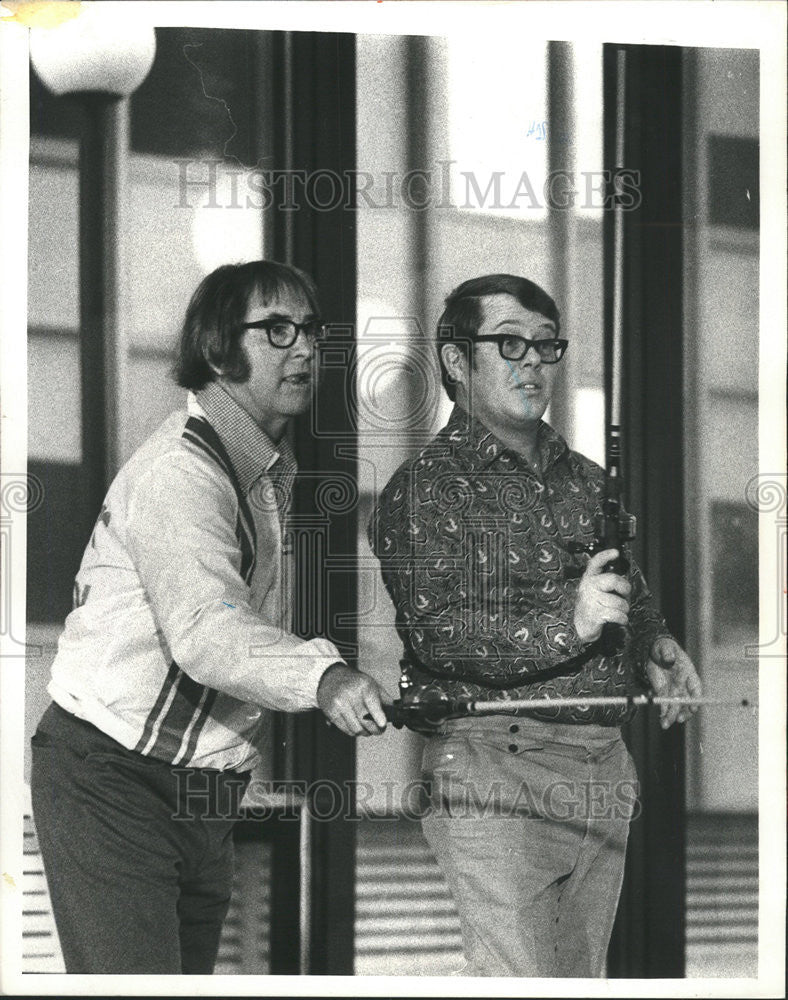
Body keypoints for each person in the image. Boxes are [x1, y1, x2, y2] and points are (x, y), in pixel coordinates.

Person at [30, 259, 388, 975]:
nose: (306, 349)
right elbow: (207, 634)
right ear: (220, 347)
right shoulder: (183, 471)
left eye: (312, 330)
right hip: (115, 775)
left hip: (199, 789)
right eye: (278, 329)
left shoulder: (257, 469)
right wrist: (325, 679)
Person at [368, 273, 702, 977]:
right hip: (494, 764)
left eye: (546, 346)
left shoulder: (585, 480)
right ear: (458, 362)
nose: (532, 362)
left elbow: (623, 587)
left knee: (577, 982)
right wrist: (572, 623)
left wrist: (654, 642)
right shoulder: (424, 489)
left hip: (601, 765)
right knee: (522, 982)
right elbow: (439, 632)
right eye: (511, 343)